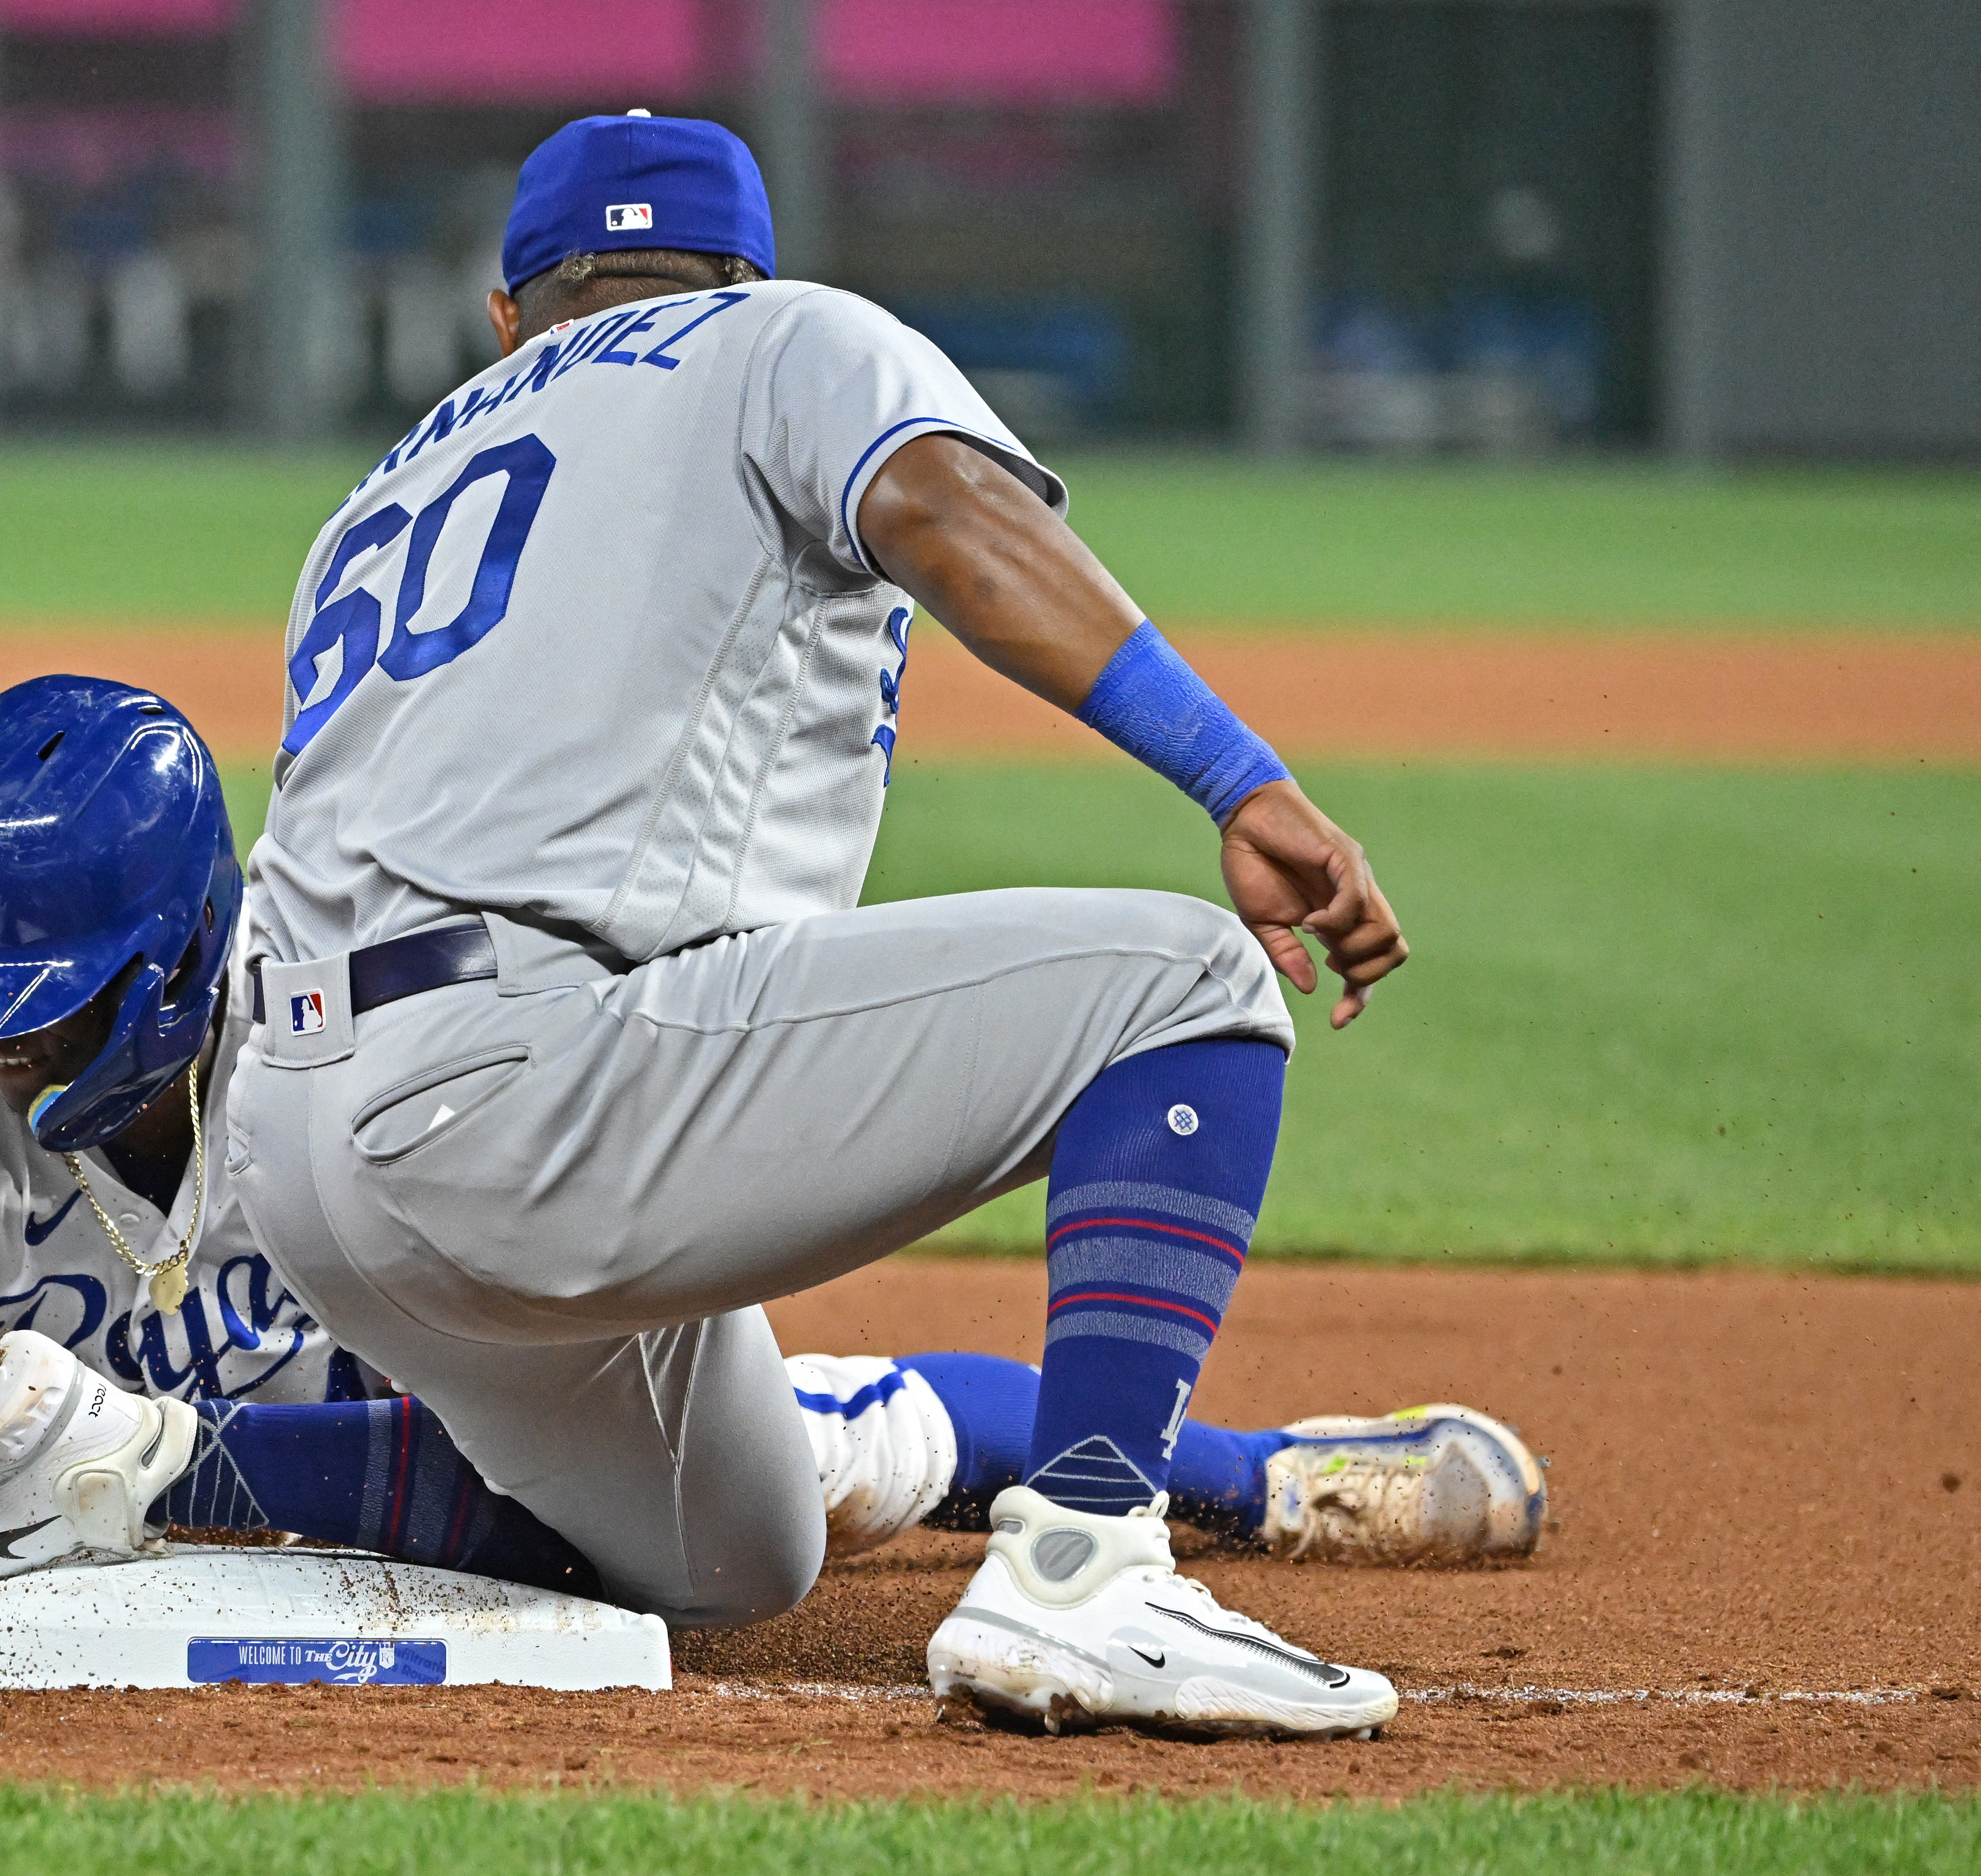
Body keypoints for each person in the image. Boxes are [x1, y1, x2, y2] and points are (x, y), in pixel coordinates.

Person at [226, 112, 1429, 1739]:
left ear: (510, 312)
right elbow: (945, 511)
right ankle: (1088, 1572)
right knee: (1187, 989)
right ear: (740, 269)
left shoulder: (384, 486)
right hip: (529, 1089)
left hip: (297, 1144)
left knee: (730, 1550)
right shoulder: (783, 337)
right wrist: (1236, 777)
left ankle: (141, 1461)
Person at [0, 678, 1539, 1673]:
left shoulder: (361, 1084)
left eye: (36, 1011)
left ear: (174, 958)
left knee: (803, 1474)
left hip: (382, 1410)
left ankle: (1274, 1475)